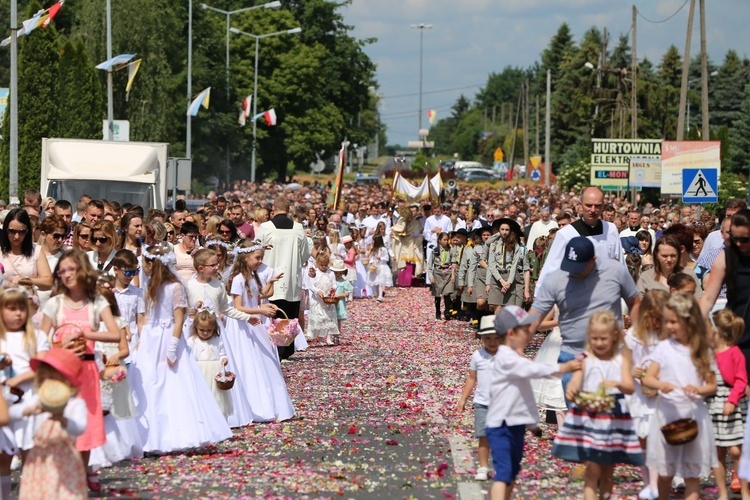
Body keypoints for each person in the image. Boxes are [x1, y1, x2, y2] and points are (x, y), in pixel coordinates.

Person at [129, 243, 232, 453]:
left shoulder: (175, 287)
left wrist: (173, 346)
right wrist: (143, 337)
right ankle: (148, 437)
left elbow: (178, 320)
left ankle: (176, 435)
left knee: (174, 385)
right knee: (149, 383)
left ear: (153, 264)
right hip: (151, 339)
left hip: (169, 337)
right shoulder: (148, 288)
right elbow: (144, 317)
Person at [39, 249, 122, 491]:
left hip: (86, 370)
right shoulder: (55, 304)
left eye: (71, 269)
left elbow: (115, 333)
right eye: (62, 271)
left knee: (85, 427)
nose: (66, 275)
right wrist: (57, 348)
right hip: (60, 371)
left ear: (82, 271)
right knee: (61, 426)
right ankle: (66, 474)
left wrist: (86, 334)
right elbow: (41, 340)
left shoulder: (97, 302)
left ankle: (82, 475)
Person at [485, 306, 581, 500]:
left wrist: (532, 425)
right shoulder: (505, 358)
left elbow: (522, 397)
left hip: (516, 426)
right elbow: (534, 369)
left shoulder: (514, 357)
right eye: (526, 330)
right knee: (503, 473)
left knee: (512, 471)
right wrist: (565, 367)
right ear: (512, 333)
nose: (530, 334)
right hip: (501, 427)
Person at [529, 237, 640, 395]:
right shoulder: (555, 279)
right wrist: (516, 347)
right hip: (572, 355)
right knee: (576, 410)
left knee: (610, 410)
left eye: (579, 267)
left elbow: (634, 302)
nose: (573, 272)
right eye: (570, 266)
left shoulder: (616, 271)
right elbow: (535, 316)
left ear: (593, 260)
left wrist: (637, 337)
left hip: (611, 356)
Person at [552, 311, 642, 500]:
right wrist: (572, 390)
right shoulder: (585, 358)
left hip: (612, 419)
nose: (599, 343)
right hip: (590, 418)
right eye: (595, 338)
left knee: (608, 473)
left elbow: (630, 387)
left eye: (604, 338)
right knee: (592, 470)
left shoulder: (620, 360)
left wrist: (616, 383)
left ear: (615, 337)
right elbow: (576, 381)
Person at [642, 293, 718, 500]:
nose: (670, 326)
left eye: (674, 321)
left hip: (694, 417)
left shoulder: (700, 350)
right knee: (665, 474)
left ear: (688, 320)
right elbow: (648, 379)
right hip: (667, 415)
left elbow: (712, 385)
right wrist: (660, 384)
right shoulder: (664, 348)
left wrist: (698, 389)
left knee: (692, 476)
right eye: (667, 321)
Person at [224, 239, 295, 424]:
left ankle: (270, 405)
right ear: (245, 258)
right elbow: (238, 306)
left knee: (266, 361)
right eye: (257, 257)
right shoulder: (239, 279)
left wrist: (266, 298)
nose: (260, 261)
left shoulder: (253, 276)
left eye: (261, 257)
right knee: (249, 363)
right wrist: (260, 310)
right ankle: (254, 407)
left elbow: (258, 296)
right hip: (242, 326)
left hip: (255, 323)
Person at [14, 348, 86, 499]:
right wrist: (28, 411)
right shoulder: (37, 399)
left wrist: (63, 420)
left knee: (65, 493)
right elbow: (12, 414)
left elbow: (80, 428)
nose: (49, 382)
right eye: (44, 378)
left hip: (65, 459)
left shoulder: (74, 403)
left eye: (54, 377)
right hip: (40, 458)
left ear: (68, 381)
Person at [623, 290, 670, 500]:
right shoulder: (634, 335)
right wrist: (634, 371)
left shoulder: (668, 336)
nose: (656, 323)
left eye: (661, 319)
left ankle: (658, 481)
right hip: (640, 395)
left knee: (659, 439)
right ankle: (648, 483)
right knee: (643, 439)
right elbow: (625, 364)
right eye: (653, 318)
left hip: (662, 394)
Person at [537, 187, 623, 290]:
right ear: (580, 205)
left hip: (605, 294)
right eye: (588, 205)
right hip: (576, 294)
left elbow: (621, 266)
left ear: (603, 206)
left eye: (597, 206)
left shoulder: (611, 230)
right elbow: (550, 269)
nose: (593, 210)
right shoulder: (566, 234)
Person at [258, 195, 311, 360]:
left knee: (272, 313)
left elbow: (256, 250)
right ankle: (286, 350)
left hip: (270, 276)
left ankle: (274, 349)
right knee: (289, 313)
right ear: (289, 210)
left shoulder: (265, 227)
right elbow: (305, 254)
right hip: (290, 277)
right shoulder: (297, 228)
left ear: (273, 209)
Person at [700, 209, 750, 379]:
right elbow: (708, 298)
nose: (738, 244)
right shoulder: (725, 257)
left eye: (745, 240)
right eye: (734, 238)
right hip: (734, 332)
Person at [707, 309, 749, 499]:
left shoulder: (734, 353)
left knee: (736, 451)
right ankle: (722, 492)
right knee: (718, 452)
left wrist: (732, 400)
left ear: (717, 331)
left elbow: (741, 380)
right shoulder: (708, 353)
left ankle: (745, 490)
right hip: (713, 405)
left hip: (731, 403)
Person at [456, 315, 500, 482]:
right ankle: (483, 466)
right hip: (482, 402)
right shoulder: (477, 356)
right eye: (487, 338)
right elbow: (471, 378)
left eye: (496, 338)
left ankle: (500, 466)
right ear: (481, 338)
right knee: (483, 436)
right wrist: (463, 399)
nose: (492, 342)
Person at [187, 308, 232, 419]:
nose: (206, 333)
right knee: (201, 399)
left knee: (218, 399)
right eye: (202, 330)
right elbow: (189, 357)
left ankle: (219, 422)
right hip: (199, 373)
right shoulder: (192, 341)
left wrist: (224, 359)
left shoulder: (217, 340)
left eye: (209, 330)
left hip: (214, 374)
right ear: (196, 327)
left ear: (214, 329)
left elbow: (222, 353)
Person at [1, 208, 53, 290]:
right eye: (12, 231)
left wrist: (26, 281)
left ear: (28, 231)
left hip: (28, 300)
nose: (16, 236)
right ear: (5, 230)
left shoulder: (36, 250)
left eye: (22, 232)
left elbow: (49, 281)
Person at [305, 252, 340, 345]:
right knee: (320, 318)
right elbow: (311, 285)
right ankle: (320, 339)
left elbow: (334, 284)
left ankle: (328, 338)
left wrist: (333, 290)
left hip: (328, 299)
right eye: (321, 265)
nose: (323, 267)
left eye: (325, 265)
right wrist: (317, 291)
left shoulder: (331, 273)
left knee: (329, 318)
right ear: (317, 263)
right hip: (318, 300)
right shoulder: (315, 272)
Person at [427, 232, 454, 320]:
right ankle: (438, 311)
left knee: (447, 293)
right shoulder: (435, 250)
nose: (446, 242)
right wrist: (431, 276)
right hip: (438, 272)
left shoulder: (450, 250)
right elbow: (429, 264)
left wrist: (453, 274)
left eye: (447, 240)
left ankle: (447, 311)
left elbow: (453, 263)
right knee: (437, 294)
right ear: (439, 240)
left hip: (447, 272)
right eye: (444, 240)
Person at [366, 235, 392, 303]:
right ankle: (377, 295)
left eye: (374, 240)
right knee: (375, 282)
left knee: (381, 282)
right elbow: (371, 257)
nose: (373, 242)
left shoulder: (383, 249)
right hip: (375, 267)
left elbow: (387, 258)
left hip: (382, 266)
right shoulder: (374, 249)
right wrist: (371, 262)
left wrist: (381, 258)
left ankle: (380, 296)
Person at [330, 258, 353, 337]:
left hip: (339, 302)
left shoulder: (344, 282)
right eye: (336, 273)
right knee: (330, 318)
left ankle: (337, 335)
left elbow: (347, 292)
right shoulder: (331, 280)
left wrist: (338, 295)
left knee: (338, 319)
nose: (337, 275)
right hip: (331, 301)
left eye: (339, 273)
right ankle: (330, 335)